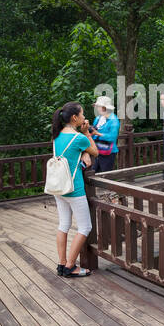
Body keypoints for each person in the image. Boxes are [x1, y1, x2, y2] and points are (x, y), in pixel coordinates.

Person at [50, 103, 95, 278]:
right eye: (82, 114)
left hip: (59, 188)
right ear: (75, 118)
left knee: (63, 225)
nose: (85, 118)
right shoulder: (79, 138)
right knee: (85, 227)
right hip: (74, 189)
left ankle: (61, 264)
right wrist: (87, 134)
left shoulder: (56, 136)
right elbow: (95, 152)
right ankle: (70, 267)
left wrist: (83, 153)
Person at [91, 96, 121, 173]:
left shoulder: (114, 120)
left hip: (108, 153)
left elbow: (112, 137)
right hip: (96, 151)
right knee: (94, 174)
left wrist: (97, 133)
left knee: (105, 175)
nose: (97, 108)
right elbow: (93, 130)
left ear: (105, 108)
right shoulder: (98, 118)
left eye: (98, 107)